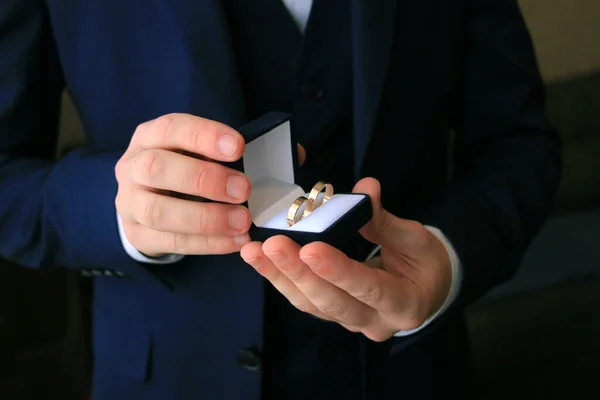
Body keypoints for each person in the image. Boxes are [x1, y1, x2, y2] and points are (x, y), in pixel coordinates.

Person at [0, 0, 561, 399]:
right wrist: (116, 211)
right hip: (169, 375)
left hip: (411, 371)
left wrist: (448, 254)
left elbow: (517, 141)